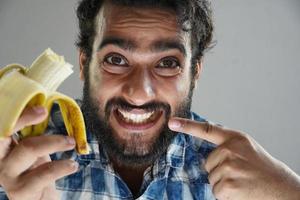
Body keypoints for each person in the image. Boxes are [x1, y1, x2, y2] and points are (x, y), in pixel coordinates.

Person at [0, 0, 299, 199]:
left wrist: (290, 191)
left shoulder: (244, 178)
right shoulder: (17, 157)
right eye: (116, 59)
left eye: (167, 63)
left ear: (194, 73)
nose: (139, 93)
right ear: (83, 64)